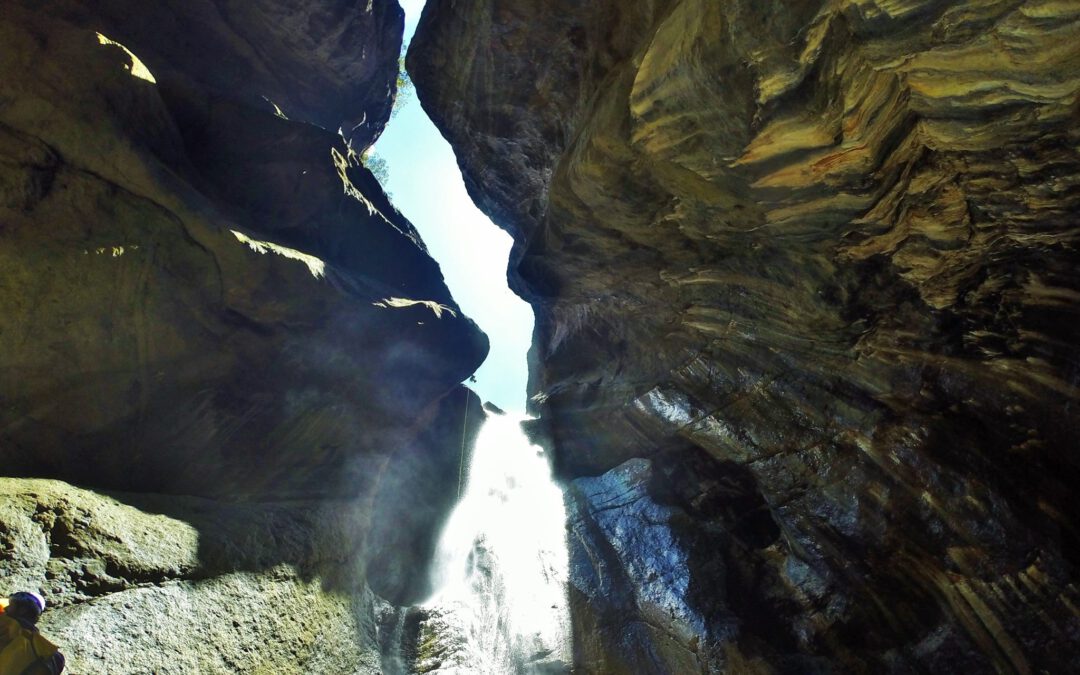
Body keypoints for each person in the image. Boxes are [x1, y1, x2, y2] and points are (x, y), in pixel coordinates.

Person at [0, 591, 65, 674]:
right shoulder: (50, 652)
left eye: (11, 606)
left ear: (22, 610)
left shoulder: (6, 623)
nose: (5, 608)